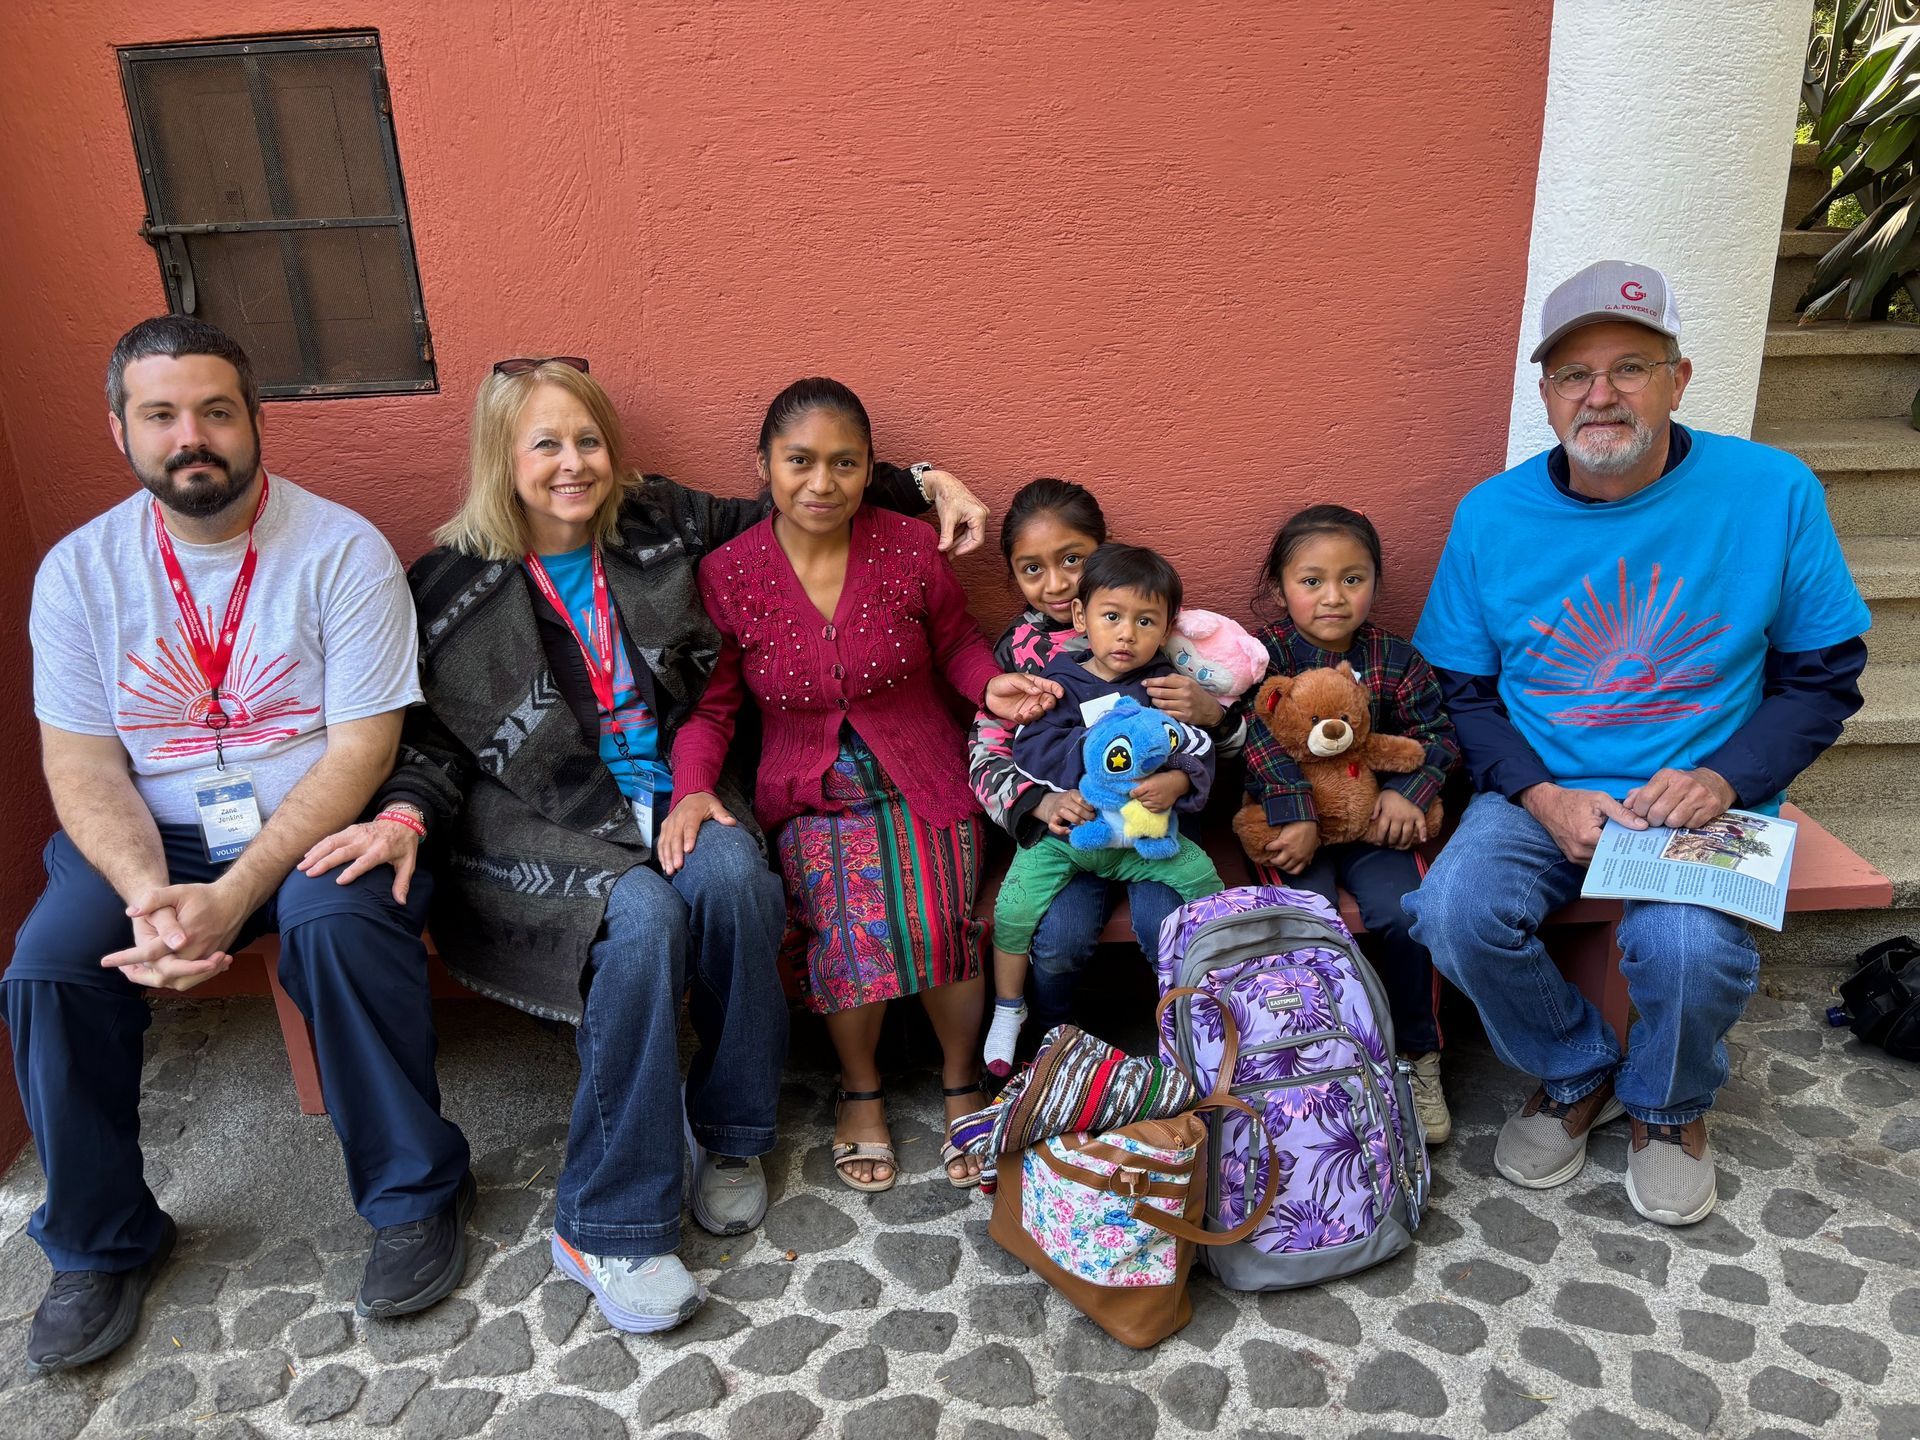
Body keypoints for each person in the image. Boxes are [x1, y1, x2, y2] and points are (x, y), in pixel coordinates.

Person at [301, 358, 992, 1331]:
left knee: (739, 885)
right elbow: (430, 740)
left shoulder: (655, 523)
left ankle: (734, 1132)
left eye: (588, 440)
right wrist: (406, 811)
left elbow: (798, 497)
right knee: (645, 918)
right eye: (546, 443)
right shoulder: (452, 584)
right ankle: (608, 1222)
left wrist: (921, 481)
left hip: (672, 793)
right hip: (540, 821)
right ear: (502, 455)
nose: (573, 463)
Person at [9, 315, 473, 1373]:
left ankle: (415, 1195)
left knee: (342, 927)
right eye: (162, 414)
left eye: (217, 411)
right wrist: (148, 894)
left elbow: (362, 750)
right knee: (45, 970)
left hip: (311, 817)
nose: (192, 436)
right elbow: (81, 768)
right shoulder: (78, 574)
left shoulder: (340, 549)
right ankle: (99, 1243)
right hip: (148, 836)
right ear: (119, 429)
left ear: (257, 421)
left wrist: (236, 892)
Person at [1405, 261, 1869, 1224]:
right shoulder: (1491, 514)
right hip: (1545, 787)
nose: (1601, 394)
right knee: (1453, 909)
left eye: (1630, 367)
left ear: (1679, 378)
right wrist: (1537, 793)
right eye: (1574, 375)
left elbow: (1825, 676)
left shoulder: (1772, 491)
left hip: (1702, 797)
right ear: (1546, 394)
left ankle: (1671, 1106)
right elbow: (1463, 689)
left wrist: (1726, 776)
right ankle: (1577, 1072)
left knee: (1688, 951)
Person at [666, 377, 1058, 1194]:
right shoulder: (730, 573)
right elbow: (714, 704)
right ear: (766, 467)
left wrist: (992, 687)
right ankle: (861, 1088)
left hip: (925, 769)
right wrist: (693, 786)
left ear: (870, 467)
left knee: (940, 915)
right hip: (812, 789)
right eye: (799, 461)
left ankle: (960, 1084)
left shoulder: (908, 547)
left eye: (844, 463)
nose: (821, 483)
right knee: (846, 924)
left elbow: (955, 643)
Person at [1238, 505, 1460, 1142]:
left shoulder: (1397, 659)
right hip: (1291, 824)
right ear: (1281, 588)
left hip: (1373, 823)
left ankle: (1418, 1055)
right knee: (1307, 923)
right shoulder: (1262, 660)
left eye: (1352, 579)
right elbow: (1249, 742)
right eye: (1312, 581)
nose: (1333, 597)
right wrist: (1297, 812)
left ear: (1375, 584)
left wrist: (1409, 793)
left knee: (1403, 912)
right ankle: (1321, 1067)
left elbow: (1436, 738)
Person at [967, 481, 1212, 1042]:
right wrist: (1037, 802)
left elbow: (1204, 737)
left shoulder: (1152, 629)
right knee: (1060, 936)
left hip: (1156, 827)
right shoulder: (1018, 653)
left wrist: (1214, 723)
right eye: (1031, 569)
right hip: (1069, 827)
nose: (1054, 583)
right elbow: (988, 747)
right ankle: (1051, 1041)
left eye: (1072, 560)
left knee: (1167, 923)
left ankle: (1190, 1037)